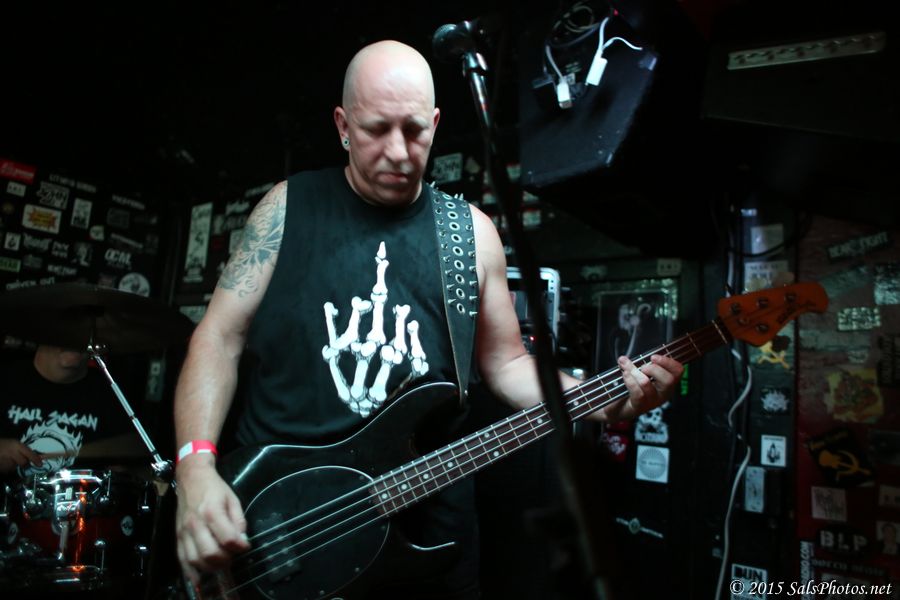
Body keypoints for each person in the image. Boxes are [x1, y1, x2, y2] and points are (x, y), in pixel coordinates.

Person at [173, 40, 684, 597]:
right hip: (282, 514)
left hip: (426, 526)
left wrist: (600, 399)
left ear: (436, 124)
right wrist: (195, 468)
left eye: (415, 130)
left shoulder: (472, 235)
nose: (398, 151)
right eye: (376, 129)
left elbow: (506, 364)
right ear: (343, 125)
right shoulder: (287, 208)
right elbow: (217, 338)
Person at [0, 344, 134, 476]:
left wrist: (122, 476)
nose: (74, 340)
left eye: (83, 335)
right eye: (66, 334)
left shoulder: (112, 393)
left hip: (82, 489)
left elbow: (128, 469)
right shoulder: (6, 378)